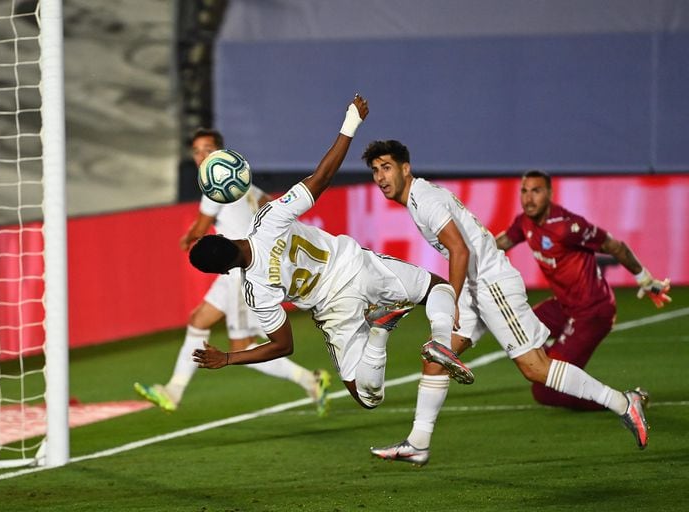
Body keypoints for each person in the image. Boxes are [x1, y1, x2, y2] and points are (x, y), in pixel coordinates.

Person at [361, 140, 650, 465]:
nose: (380, 176)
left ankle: (624, 403)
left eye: (386, 167)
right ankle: (418, 443)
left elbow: (460, 250)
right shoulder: (420, 198)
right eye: (375, 170)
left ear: (405, 168)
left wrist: (451, 299)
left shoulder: (425, 199)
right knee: (435, 357)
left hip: (490, 285)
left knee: (535, 368)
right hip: (475, 287)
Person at [189, 95, 474, 413]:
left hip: (334, 309)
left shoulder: (255, 289)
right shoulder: (268, 218)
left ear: (225, 271)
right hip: (355, 264)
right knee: (438, 288)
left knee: (368, 398)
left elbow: (283, 346)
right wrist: (351, 122)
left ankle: (380, 330)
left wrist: (228, 358)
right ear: (227, 236)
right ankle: (440, 339)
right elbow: (322, 178)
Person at [134, 128, 331, 416]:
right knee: (198, 319)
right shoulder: (242, 184)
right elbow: (270, 206)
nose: (202, 156)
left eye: (208, 149)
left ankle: (309, 380)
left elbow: (200, 228)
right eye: (197, 151)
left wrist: (188, 239)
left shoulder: (214, 185)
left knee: (243, 346)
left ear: (220, 152)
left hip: (241, 271)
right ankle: (173, 391)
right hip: (234, 267)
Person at [493, 169, 671, 410]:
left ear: (549, 193)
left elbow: (615, 246)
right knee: (516, 327)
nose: (528, 198)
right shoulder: (524, 222)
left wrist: (646, 280)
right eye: (524, 191)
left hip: (592, 312)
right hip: (564, 305)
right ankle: (558, 360)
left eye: (536, 191)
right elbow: (500, 243)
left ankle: (624, 401)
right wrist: (469, 251)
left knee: (546, 391)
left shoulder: (569, 227)